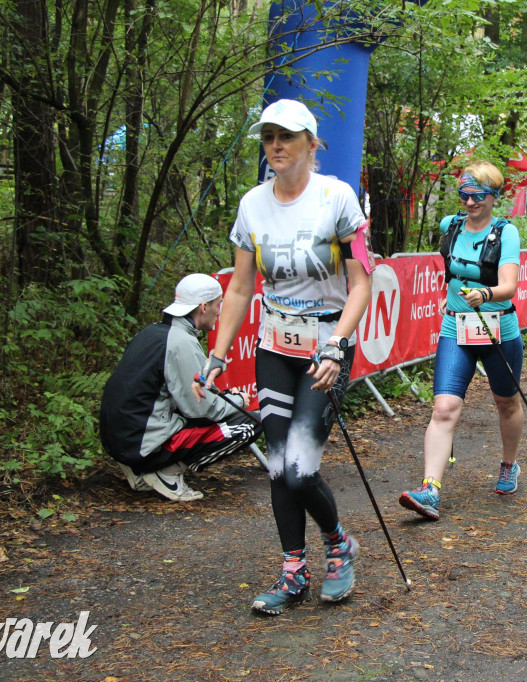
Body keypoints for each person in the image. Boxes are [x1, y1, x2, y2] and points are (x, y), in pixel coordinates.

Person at [199, 99, 374, 615]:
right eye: (269, 137)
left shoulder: (337, 198)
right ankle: (293, 571)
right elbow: (238, 289)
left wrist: (338, 345)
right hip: (276, 346)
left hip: (326, 345)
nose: (276, 146)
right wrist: (217, 354)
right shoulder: (253, 204)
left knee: (300, 468)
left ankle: (338, 545)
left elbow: (362, 283)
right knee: (278, 466)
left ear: (311, 145)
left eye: (287, 137)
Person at [399, 161, 523, 521]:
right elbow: (450, 267)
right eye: (464, 195)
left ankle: (509, 465)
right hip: (456, 328)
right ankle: (430, 490)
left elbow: (509, 285)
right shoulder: (450, 226)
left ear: (493, 197)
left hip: (497, 327)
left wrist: (485, 294)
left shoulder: (506, 233)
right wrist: (447, 292)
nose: (469, 203)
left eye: (478, 196)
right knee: (444, 408)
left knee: (506, 403)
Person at [99, 274, 262, 502]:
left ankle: (138, 469)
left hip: (119, 439)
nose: (220, 311)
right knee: (251, 422)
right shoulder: (181, 342)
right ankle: (166, 471)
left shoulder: (152, 332)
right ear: (203, 307)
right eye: (218, 305)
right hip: (141, 442)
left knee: (215, 409)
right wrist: (237, 401)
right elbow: (202, 409)